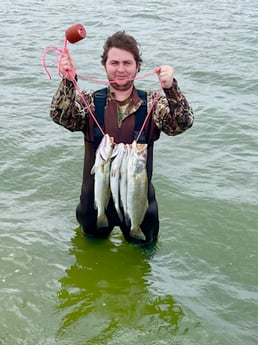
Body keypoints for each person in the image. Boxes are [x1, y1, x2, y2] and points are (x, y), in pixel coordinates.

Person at [50, 30, 194, 245]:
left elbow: (181, 124)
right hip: (95, 203)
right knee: (89, 257)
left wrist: (171, 88)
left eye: (127, 63)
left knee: (142, 260)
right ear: (104, 65)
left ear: (137, 66)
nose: (120, 69)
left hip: (138, 201)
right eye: (114, 62)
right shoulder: (89, 101)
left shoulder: (154, 102)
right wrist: (68, 81)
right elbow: (60, 116)